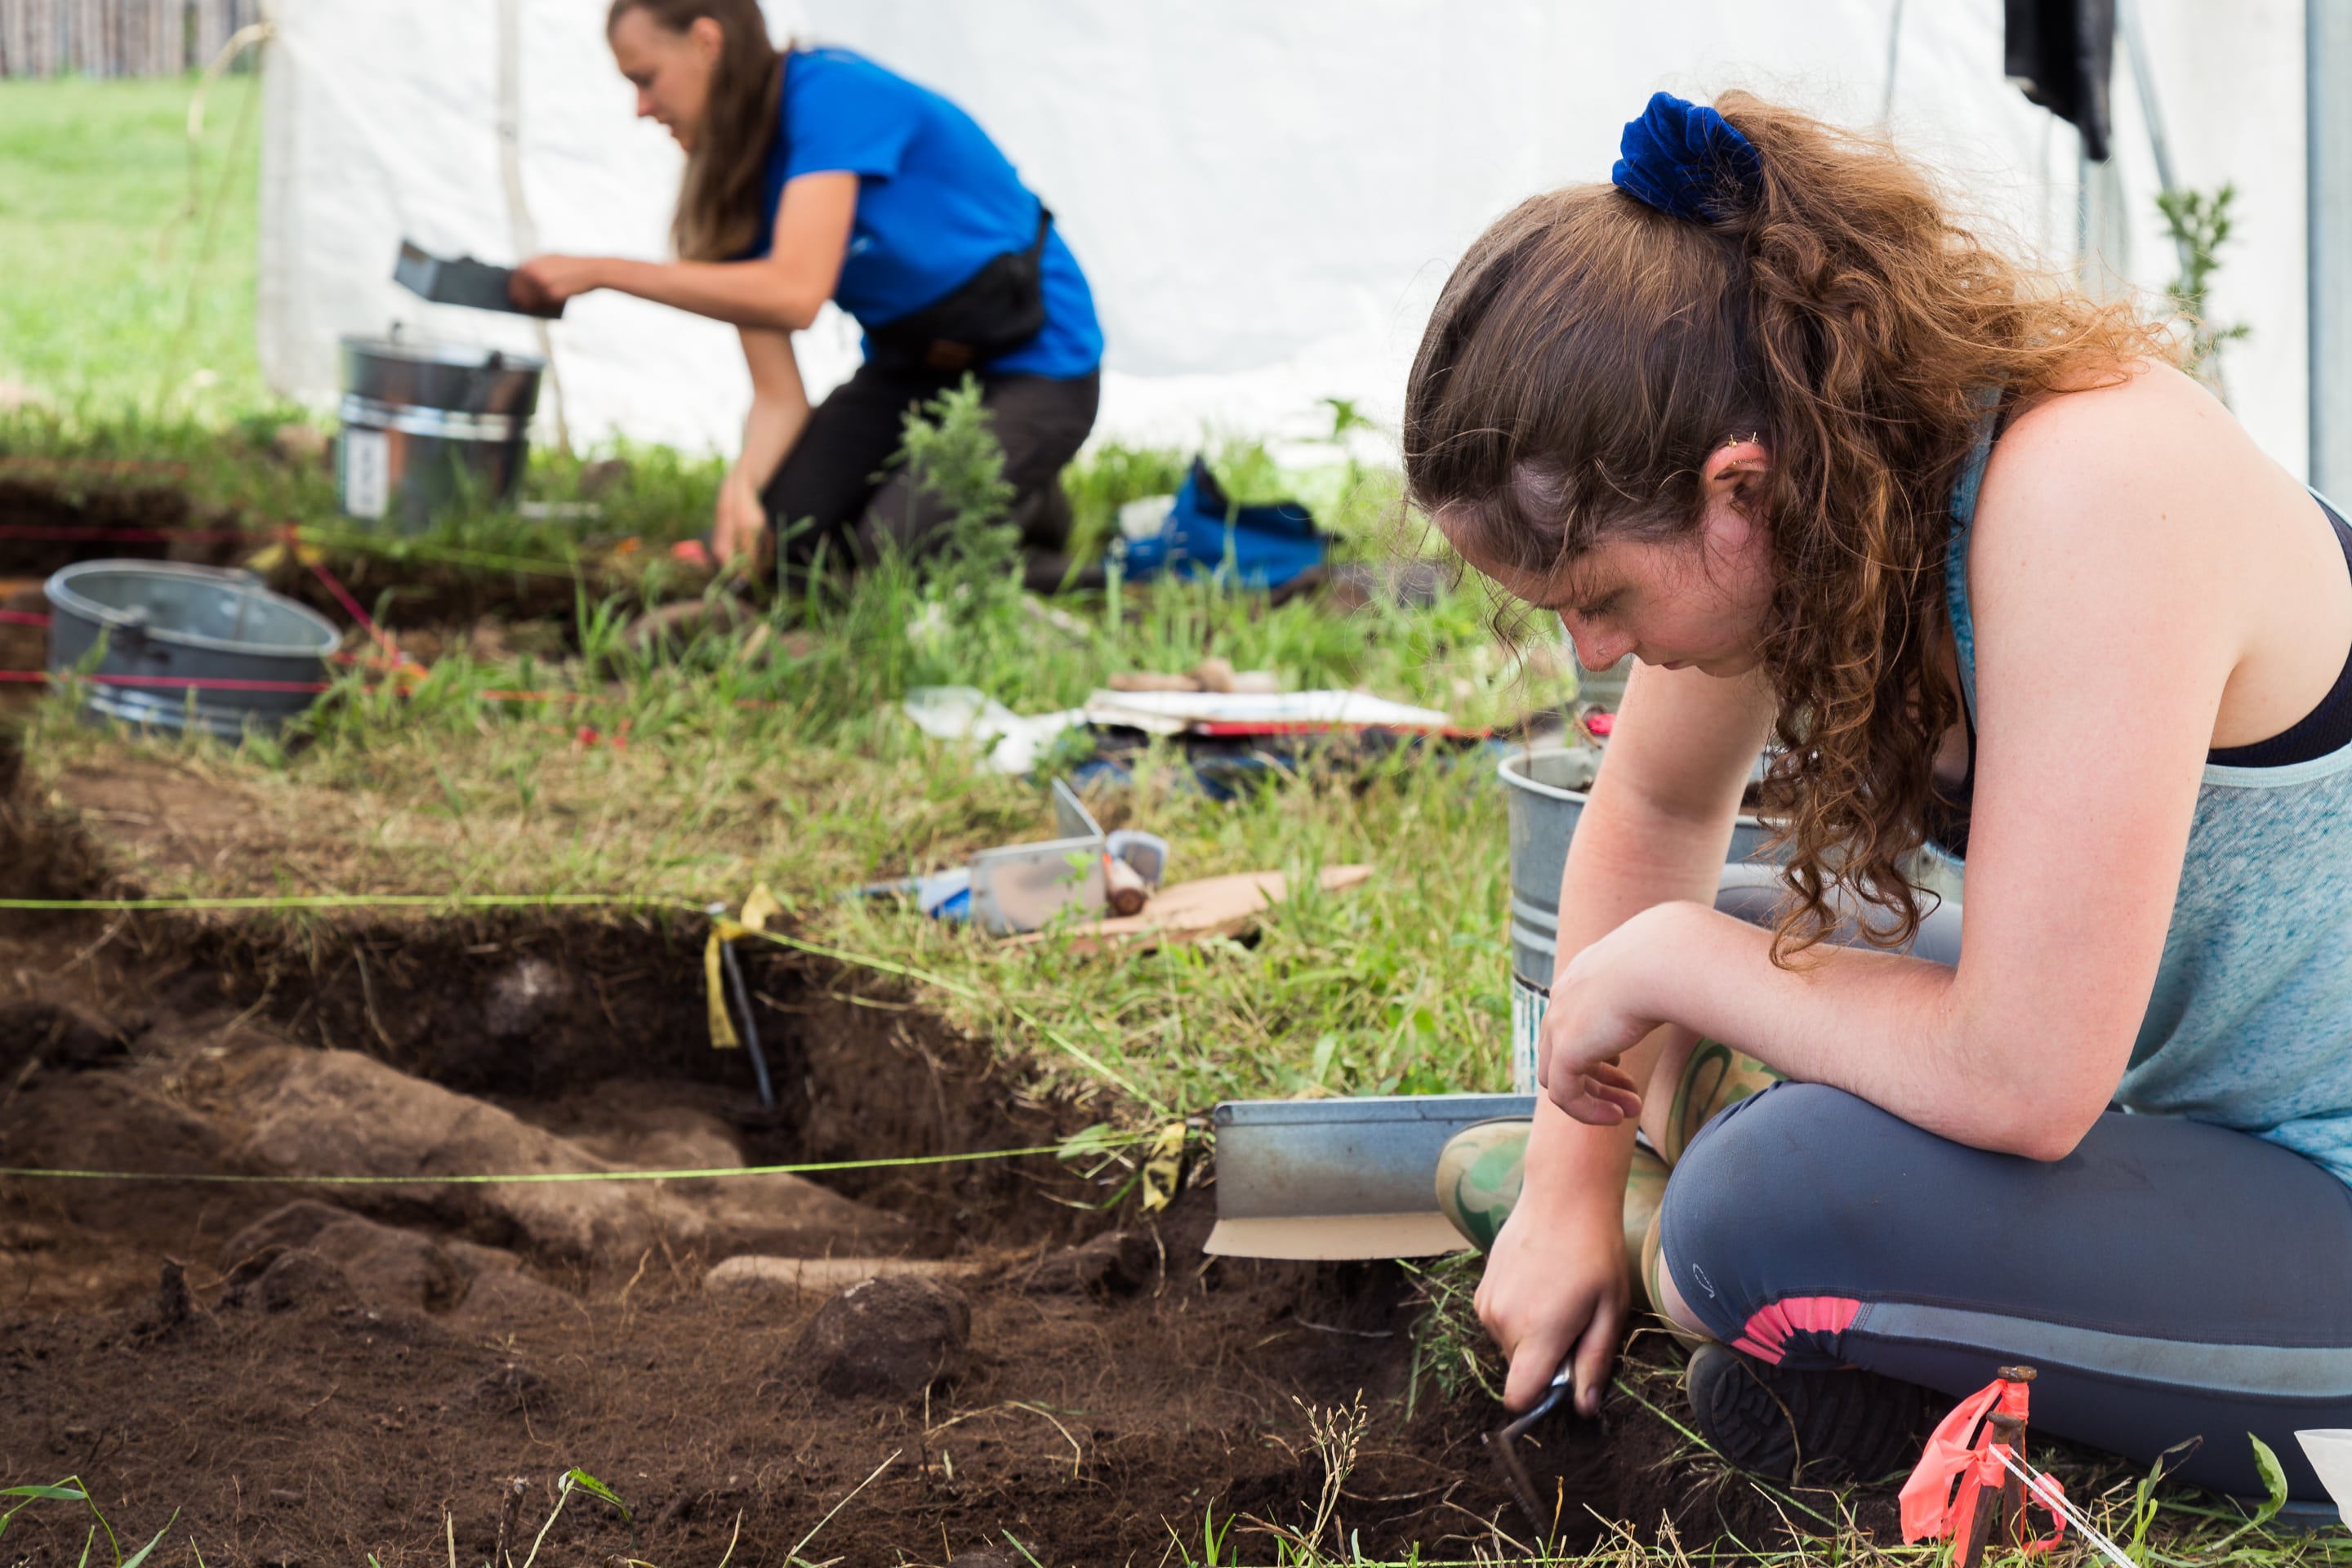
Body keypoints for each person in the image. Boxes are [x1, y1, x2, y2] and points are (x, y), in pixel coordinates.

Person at [1408, 91, 2352, 1505]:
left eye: (1600, 595)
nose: (1591, 654)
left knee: (1752, 1208)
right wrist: (1563, 1198)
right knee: (1703, 957)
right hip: (2178, 1092)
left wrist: (1666, 968)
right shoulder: (1827, 489)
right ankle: (1832, 1274)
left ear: (1741, 485)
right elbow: (1658, 813)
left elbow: (2027, 1080)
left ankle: (1768, 1263)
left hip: (2314, 1171)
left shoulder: (2088, 490)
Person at [513, 1, 1102, 584]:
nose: (641, 108)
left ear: (706, 42)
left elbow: (794, 294)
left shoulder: (831, 97)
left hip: (1038, 363)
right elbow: (778, 396)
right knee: (790, 543)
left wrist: (601, 272)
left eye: (646, 79)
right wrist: (745, 491)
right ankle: (1000, 496)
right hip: (915, 369)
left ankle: (1056, 543)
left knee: (891, 550)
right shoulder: (739, 185)